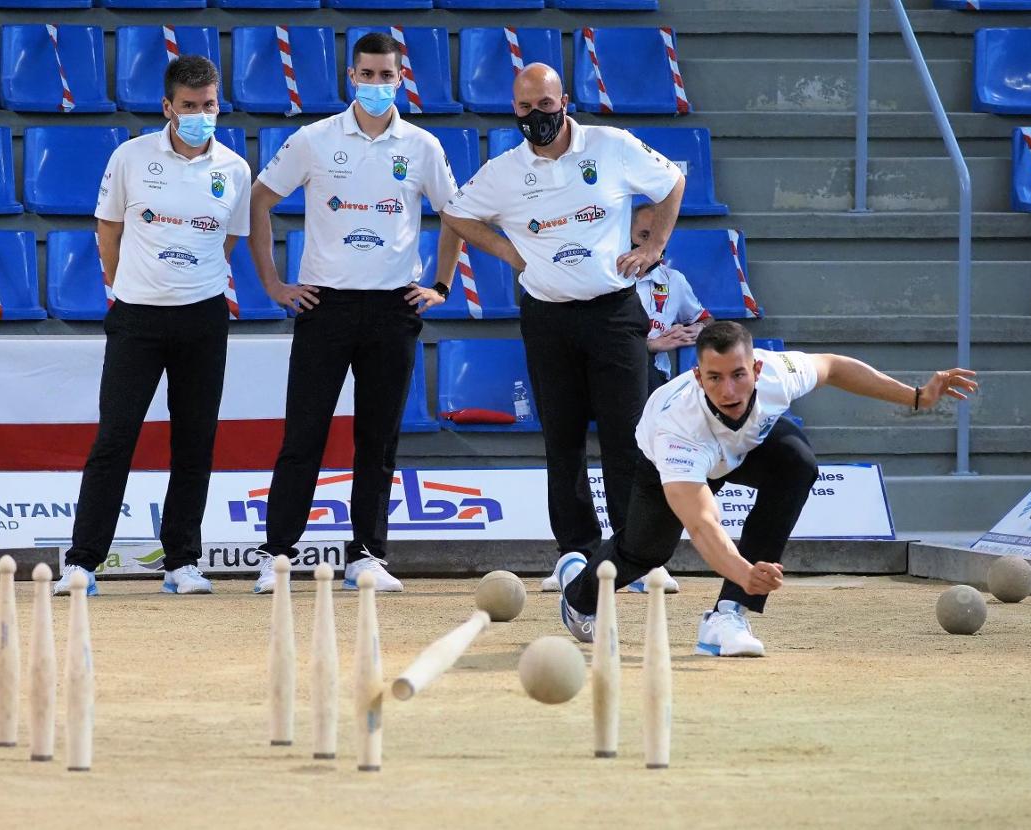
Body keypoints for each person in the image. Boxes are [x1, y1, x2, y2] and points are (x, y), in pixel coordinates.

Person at [555, 321, 978, 655]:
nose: (729, 390)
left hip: (745, 447)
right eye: (715, 378)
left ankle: (728, 614)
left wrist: (917, 397)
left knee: (796, 464)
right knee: (646, 552)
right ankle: (578, 594)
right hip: (669, 460)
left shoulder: (777, 374)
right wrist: (745, 571)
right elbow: (703, 525)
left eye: (739, 375)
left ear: (756, 368)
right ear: (698, 377)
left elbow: (832, 366)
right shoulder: (677, 429)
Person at [441, 64, 687, 599]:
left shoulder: (612, 145)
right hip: (548, 318)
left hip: (615, 314)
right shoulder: (504, 170)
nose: (536, 118)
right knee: (563, 440)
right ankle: (574, 551)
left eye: (545, 106)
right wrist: (510, 252)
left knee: (631, 439)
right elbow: (457, 213)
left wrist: (653, 249)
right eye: (524, 109)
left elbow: (672, 183)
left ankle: (637, 554)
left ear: (565, 100)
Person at [247, 32, 461, 594]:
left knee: (378, 439)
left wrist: (440, 283)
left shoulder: (422, 146)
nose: (375, 84)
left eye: (385, 75)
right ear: (350, 77)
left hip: (394, 308)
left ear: (400, 78)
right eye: (366, 75)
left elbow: (455, 214)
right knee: (304, 435)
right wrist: (273, 282)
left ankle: (366, 555)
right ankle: (276, 555)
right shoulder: (314, 139)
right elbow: (260, 198)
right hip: (324, 305)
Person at [54, 56, 251, 597]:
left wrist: (189, 284)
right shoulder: (130, 157)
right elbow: (107, 231)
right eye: (189, 107)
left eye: (208, 106)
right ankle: (83, 562)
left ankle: (182, 561)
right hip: (136, 318)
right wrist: (131, 288)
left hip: (204, 318)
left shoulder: (235, 168)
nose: (200, 115)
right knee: (115, 439)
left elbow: (225, 242)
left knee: (194, 442)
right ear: (168, 107)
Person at [631, 204, 712, 394]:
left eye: (657, 238)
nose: (650, 246)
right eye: (644, 236)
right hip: (607, 371)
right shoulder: (606, 279)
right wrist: (649, 346)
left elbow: (704, 319)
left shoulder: (673, 280)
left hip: (651, 376)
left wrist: (698, 329)